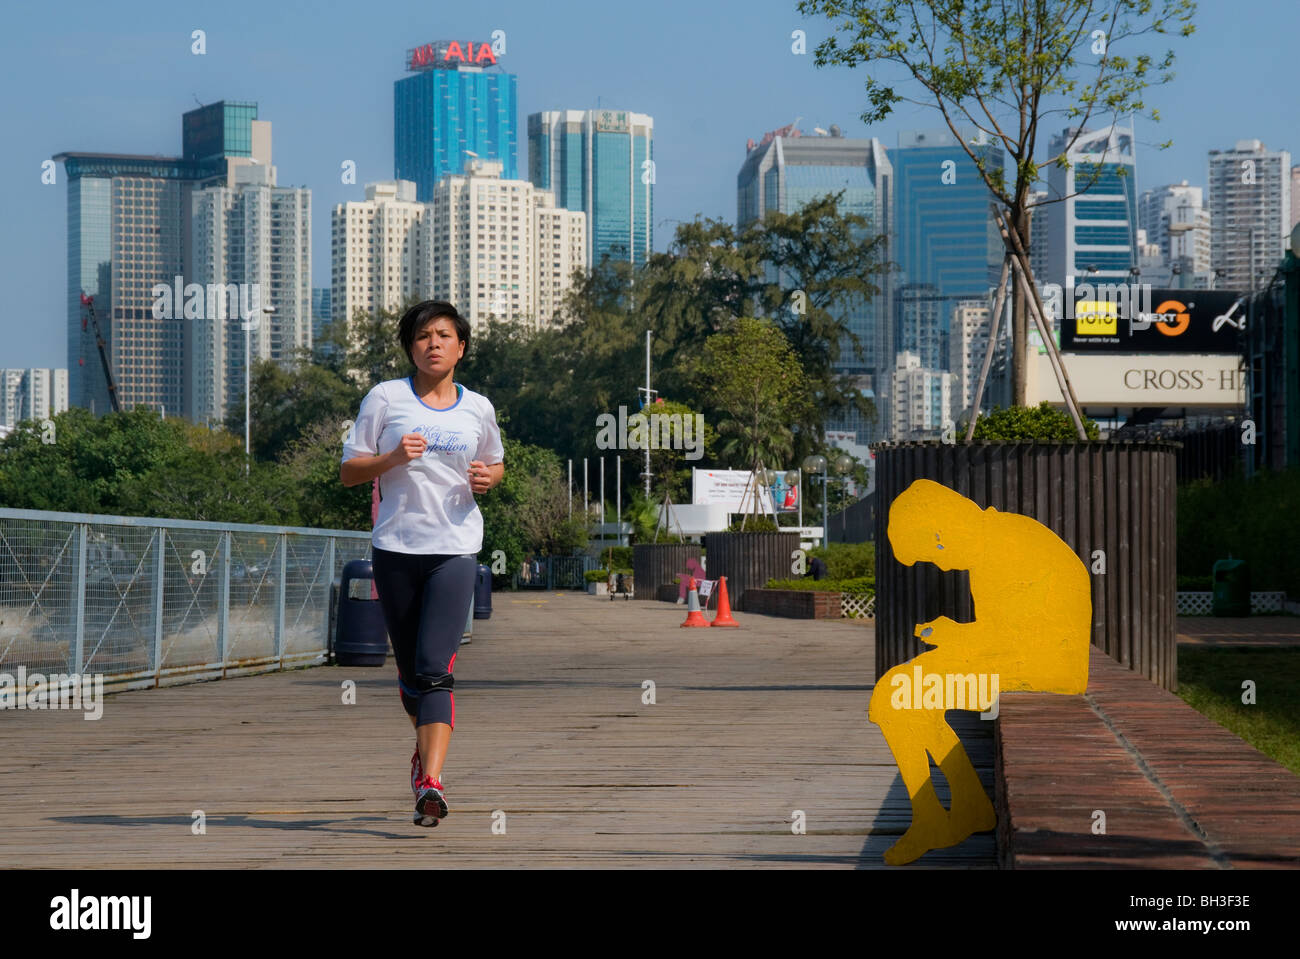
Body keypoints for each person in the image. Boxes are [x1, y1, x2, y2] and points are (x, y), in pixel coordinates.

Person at [339, 300, 504, 828]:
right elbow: (348, 472)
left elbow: (496, 463)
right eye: (422, 336)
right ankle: (423, 754)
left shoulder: (478, 407)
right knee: (411, 675)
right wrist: (391, 460)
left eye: (443, 335)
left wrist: (488, 480)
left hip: (455, 548)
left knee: (435, 670)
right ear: (411, 347)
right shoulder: (385, 398)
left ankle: (431, 782)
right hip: (396, 548)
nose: (433, 343)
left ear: (461, 346)